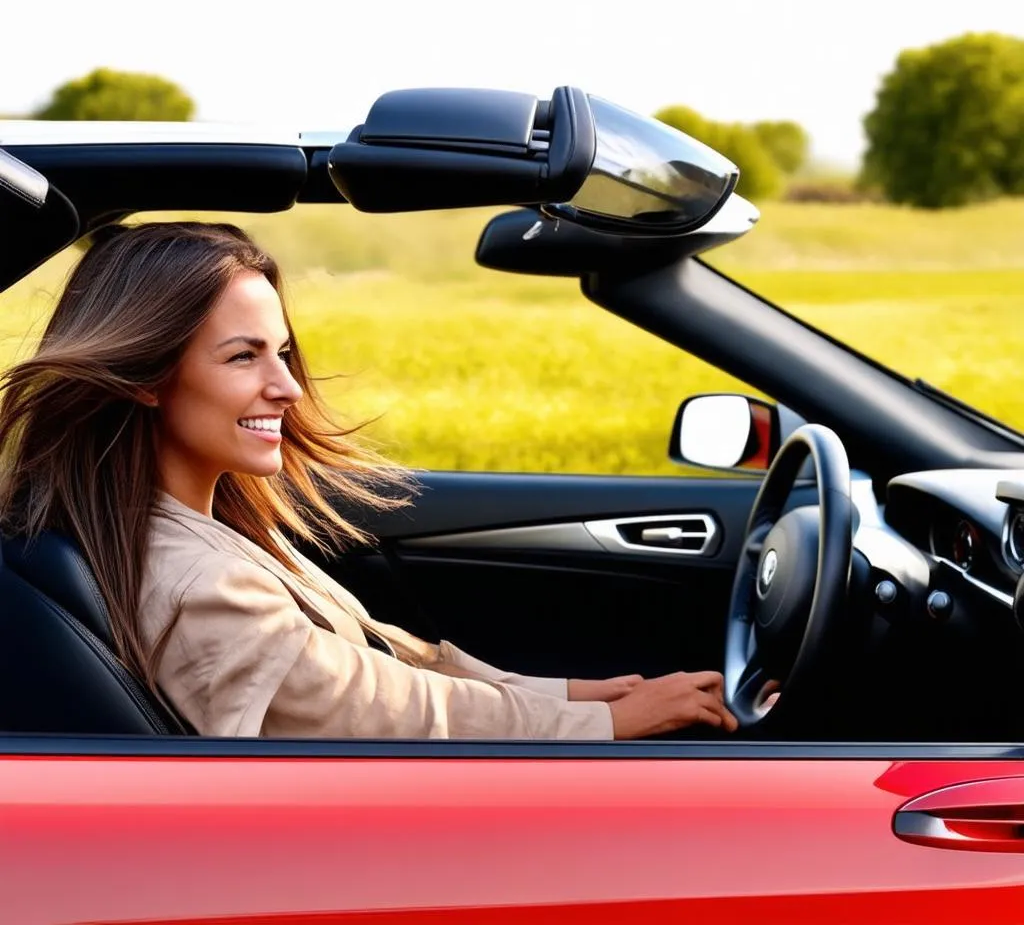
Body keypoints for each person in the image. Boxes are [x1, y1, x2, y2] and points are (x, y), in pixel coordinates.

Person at [0, 221, 739, 740]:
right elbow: (381, 711)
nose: (287, 387)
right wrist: (603, 725)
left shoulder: (208, 531)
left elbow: (385, 657)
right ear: (146, 379)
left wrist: (579, 695)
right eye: (242, 358)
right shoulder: (196, 583)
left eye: (282, 353)